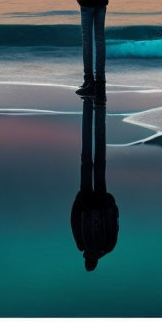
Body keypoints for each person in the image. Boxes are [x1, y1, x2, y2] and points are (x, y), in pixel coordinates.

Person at [70, 93, 118, 271]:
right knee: (86, 159)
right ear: (87, 261)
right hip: (86, 202)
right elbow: (74, 220)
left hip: (102, 200)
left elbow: (116, 222)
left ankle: (99, 107)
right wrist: (78, 200)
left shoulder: (109, 247)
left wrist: (110, 201)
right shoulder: (81, 245)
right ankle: (89, 106)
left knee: (99, 160)